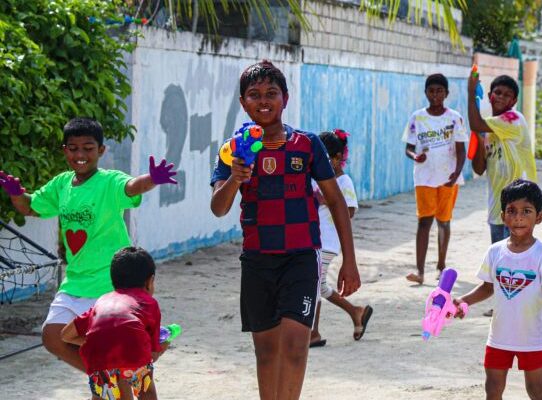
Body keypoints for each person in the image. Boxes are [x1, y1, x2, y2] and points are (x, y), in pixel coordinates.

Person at [209, 59, 361, 400]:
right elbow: (218, 208)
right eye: (254, 94)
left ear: (285, 99)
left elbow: (336, 202)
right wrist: (235, 178)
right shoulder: (233, 150)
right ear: (243, 102)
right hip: (257, 260)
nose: (263, 101)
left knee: (295, 346)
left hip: (301, 258)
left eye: (271, 93)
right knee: (266, 352)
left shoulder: (307, 144)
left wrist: (349, 262)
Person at [0, 117, 176, 376]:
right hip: (75, 282)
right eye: (73, 148)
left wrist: (152, 178)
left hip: (110, 284)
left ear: (101, 150)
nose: (80, 155)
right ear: (65, 150)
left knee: (121, 352)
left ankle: (124, 372)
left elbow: (131, 187)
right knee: (52, 337)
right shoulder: (61, 184)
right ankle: (106, 376)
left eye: (88, 148)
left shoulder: (109, 181)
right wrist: (16, 194)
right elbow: (30, 206)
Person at [453, 179, 542, 400]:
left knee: (535, 390)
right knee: (493, 388)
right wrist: (464, 301)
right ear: (503, 216)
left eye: (526, 211)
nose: (518, 217)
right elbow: (488, 287)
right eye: (512, 211)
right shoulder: (495, 252)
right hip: (499, 336)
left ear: (539, 217)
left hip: (530, 338)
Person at [61, 247, 167, 400]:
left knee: (101, 394)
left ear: (113, 281)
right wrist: (165, 345)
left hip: (98, 360)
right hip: (134, 357)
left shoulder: (102, 303)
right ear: (150, 282)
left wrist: (100, 342)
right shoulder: (150, 303)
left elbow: (66, 335)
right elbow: (153, 353)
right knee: (146, 392)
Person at [309, 130, 373, 347]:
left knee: (314, 284)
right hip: (312, 238)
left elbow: (350, 211)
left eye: (326, 159)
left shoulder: (343, 181)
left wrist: (328, 199)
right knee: (319, 285)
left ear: (338, 158)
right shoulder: (315, 179)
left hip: (328, 242)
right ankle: (356, 312)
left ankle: (313, 332)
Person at [403, 73, 467, 285]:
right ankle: (420, 271)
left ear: (446, 93)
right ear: (426, 93)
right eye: (431, 91)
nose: (435, 95)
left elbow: (461, 149)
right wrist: (415, 156)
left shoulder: (454, 118)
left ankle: (441, 266)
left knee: (444, 221)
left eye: (440, 91)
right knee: (424, 222)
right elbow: (409, 148)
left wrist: (457, 173)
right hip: (424, 177)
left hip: (448, 177)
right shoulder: (417, 118)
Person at [468, 74, 537, 244]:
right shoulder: (488, 130)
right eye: (497, 93)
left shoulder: (514, 119)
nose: (500, 97)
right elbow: (479, 169)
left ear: (514, 101)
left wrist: (470, 92)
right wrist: (479, 138)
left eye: (507, 95)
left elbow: (475, 123)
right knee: (500, 258)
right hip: (497, 209)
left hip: (519, 206)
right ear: (489, 95)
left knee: (515, 256)